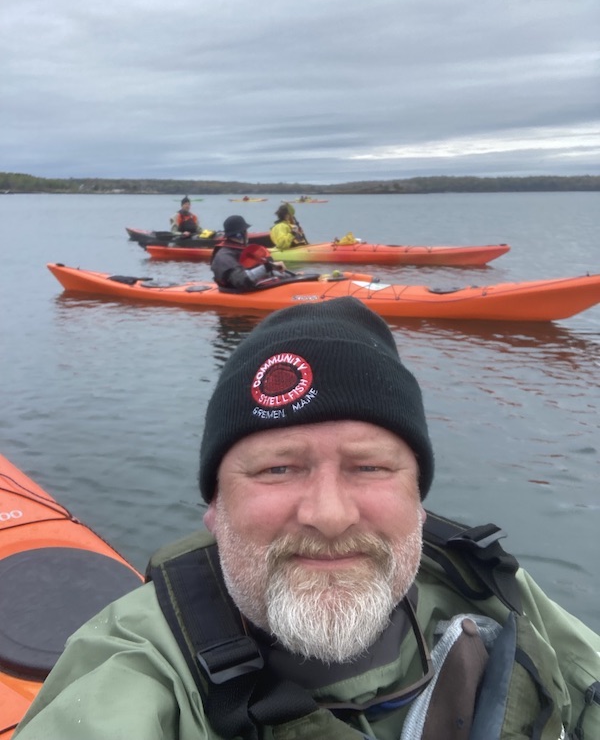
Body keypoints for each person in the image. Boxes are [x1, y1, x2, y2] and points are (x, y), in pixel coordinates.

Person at [14, 299, 600, 739]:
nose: (329, 515)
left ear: (419, 499)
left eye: (369, 467)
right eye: (276, 469)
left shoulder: (493, 587)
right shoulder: (135, 674)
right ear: (214, 509)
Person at [210, 214, 287, 290]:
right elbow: (242, 280)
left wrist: (275, 268)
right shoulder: (224, 256)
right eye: (246, 231)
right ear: (240, 234)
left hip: (253, 288)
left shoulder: (240, 250)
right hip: (237, 292)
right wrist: (267, 267)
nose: (247, 234)